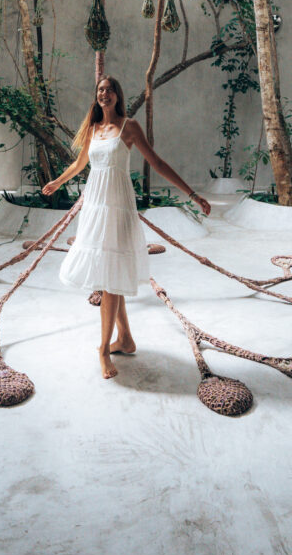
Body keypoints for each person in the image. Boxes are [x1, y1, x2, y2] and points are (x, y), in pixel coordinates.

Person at [43, 75, 211, 380]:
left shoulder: (129, 127)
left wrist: (192, 194)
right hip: (95, 205)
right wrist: (58, 181)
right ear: (97, 96)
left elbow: (157, 163)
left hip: (118, 205)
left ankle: (104, 350)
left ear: (118, 96)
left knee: (111, 276)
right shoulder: (93, 129)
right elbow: (80, 165)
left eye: (109, 90)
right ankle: (126, 339)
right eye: (100, 90)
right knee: (111, 272)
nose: (104, 93)